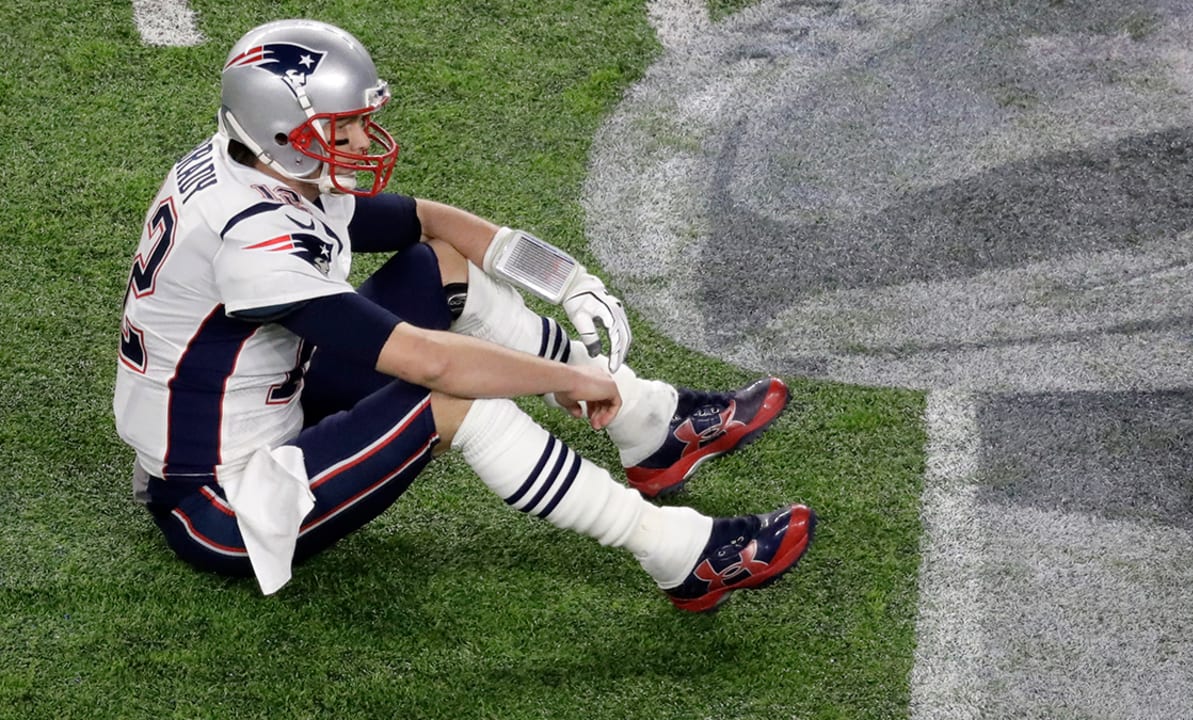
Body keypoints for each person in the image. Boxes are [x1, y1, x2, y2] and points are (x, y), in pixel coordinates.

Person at [113, 18, 814, 611]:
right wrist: (571, 377)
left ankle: (650, 427)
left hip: (270, 405)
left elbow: (428, 221)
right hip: (221, 499)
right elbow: (432, 362)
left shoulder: (252, 165)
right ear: (285, 130)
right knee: (455, 402)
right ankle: (678, 554)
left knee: (441, 266)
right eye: (345, 127)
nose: (362, 140)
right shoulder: (250, 239)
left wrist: (567, 279)